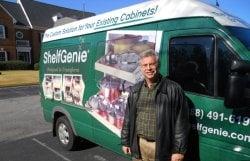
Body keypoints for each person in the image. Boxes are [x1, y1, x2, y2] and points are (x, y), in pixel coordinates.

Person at [121, 49, 190, 161]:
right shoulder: (135, 90)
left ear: (158, 65)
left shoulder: (173, 89)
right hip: (139, 144)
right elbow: (128, 118)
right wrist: (126, 142)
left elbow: (181, 122)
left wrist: (178, 150)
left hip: (161, 147)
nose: (148, 68)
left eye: (152, 64)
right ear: (141, 68)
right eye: (145, 65)